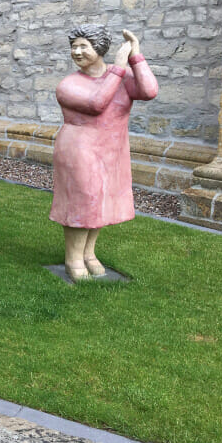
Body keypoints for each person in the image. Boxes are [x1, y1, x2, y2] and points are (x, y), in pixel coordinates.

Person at [49, 25, 158, 280]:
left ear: (99, 48)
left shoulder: (119, 76)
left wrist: (136, 56)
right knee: (83, 201)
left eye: (83, 46)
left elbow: (149, 91)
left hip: (111, 149)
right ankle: (73, 259)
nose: (76, 52)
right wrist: (119, 68)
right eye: (73, 46)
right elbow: (97, 103)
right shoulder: (68, 84)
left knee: (100, 202)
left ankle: (89, 253)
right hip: (80, 148)